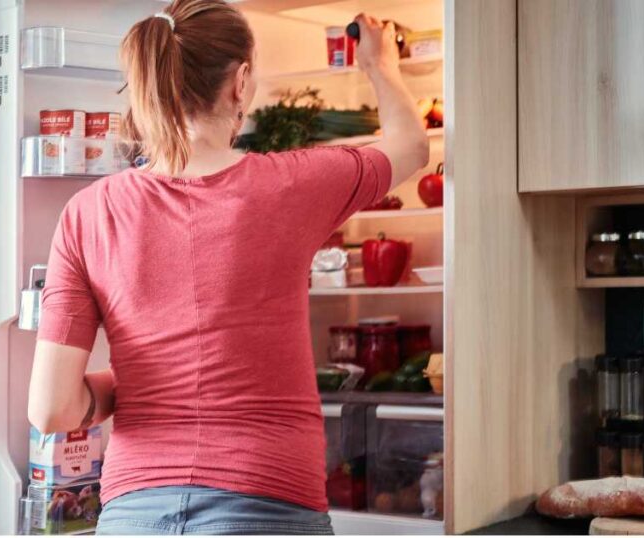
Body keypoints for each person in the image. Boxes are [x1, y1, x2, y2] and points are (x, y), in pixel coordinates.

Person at [27, 0, 429, 534]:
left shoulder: (88, 212)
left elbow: (50, 409)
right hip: (266, 504)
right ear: (240, 82)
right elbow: (411, 146)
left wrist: (141, 382)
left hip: (133, 514)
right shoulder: (292, 185)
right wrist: (380, 64)